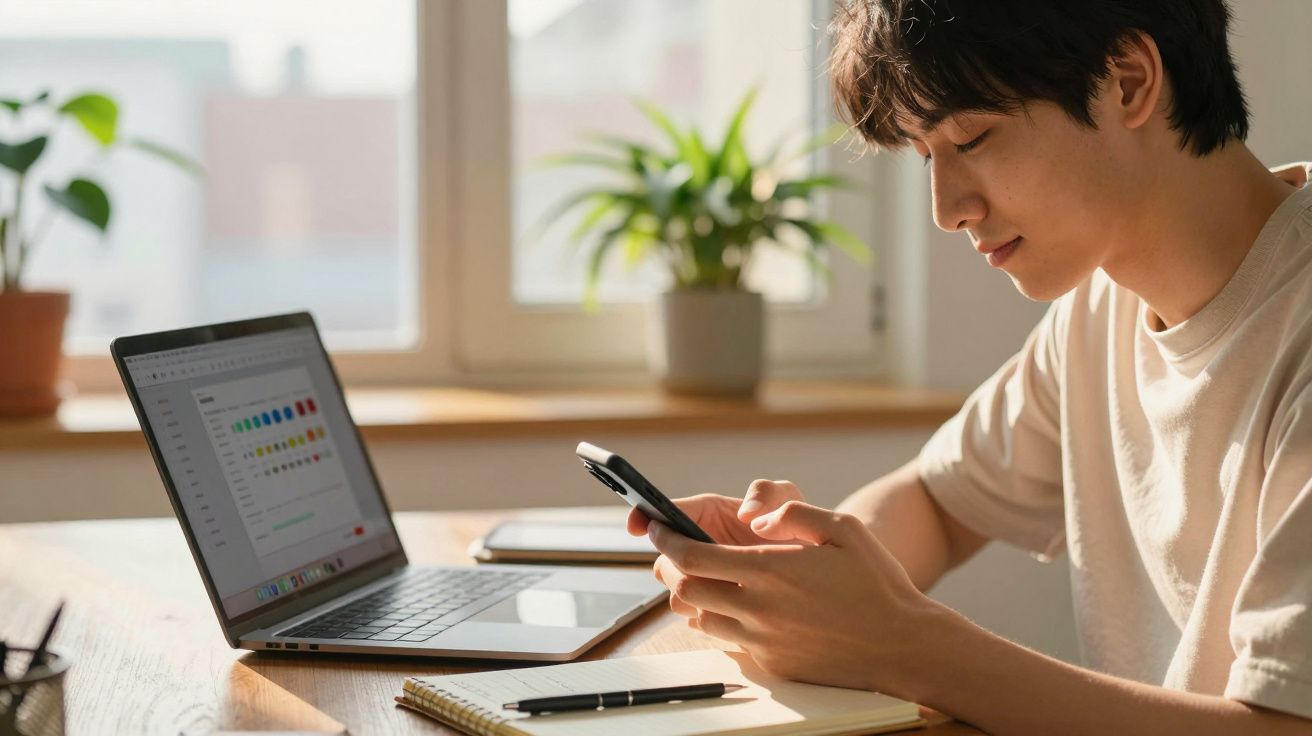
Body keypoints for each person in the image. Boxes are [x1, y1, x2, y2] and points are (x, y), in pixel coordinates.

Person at [626, 1, 1312, 733]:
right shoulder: (1102, 309)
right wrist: (804, 573)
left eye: (974, 139)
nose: (946, 209)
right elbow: (936, 502)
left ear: (1129, 81)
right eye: (928, 155)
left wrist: (904, 646)